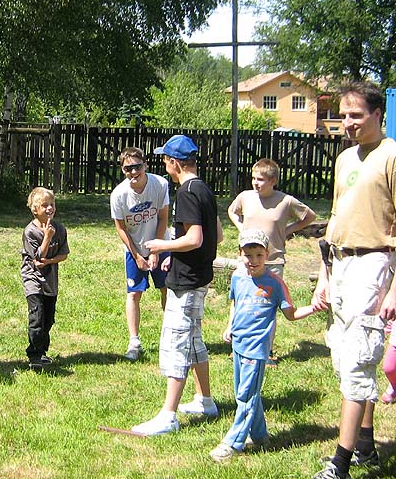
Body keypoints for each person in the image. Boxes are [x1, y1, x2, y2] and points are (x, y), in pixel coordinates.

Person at [312, 81, 396, 479]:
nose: (348, 123)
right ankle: (365, 447)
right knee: (346, 357)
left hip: (373, 263)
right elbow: (335, 218)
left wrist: (394, 289)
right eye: (344, 115)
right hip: (341, 264)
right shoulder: (345, 158)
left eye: (356, 115)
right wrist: (324, 276)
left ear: (378, 114)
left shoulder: (391, 155)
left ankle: (340, 465)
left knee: (359, 361)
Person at [130, 134, 222, 436]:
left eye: (165, 160)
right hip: (198, 276)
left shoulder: (186, 192)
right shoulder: (204, 189)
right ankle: (205, 401)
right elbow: (217, 235)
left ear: (174, 162)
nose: (164, 165)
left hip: (187, 282)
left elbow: (194, 238)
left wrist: (162, 246)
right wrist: (176, 255)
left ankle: (168, 416)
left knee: (177, 344)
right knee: (194, 340)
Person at [209, 228, 315, 463]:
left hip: (257, 349)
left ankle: (232, 443)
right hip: (238, 344)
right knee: (245, 392)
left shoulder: (275, 283)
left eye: (259, 255)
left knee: (245, 396)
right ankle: (259, 436)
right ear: (240, 254)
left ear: (267, 254)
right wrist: (230, 326)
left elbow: (291, 314)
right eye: (248, 255)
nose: (253, 260)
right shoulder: (238, 277)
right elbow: (235, 303)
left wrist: (314, 307)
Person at [228, 158, 317, 365]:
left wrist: (287, 230)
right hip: (247, 260)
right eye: (253, 178)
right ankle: (239, 346)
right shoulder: (246, 197)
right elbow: (232, 211)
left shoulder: (285, 201)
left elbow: (309, 216)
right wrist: (242, 228)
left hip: (273, 260)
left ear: (273, 181)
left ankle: (266, 350)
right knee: (242, 303)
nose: (255, 183)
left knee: (267, 307)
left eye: (260, 179)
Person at [110, 147, 170, 361]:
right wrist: (137, 256)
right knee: (134, 293)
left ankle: (171, 336)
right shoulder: (118, 195)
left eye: (137, 167)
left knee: (167, 289)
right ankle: (134, 342)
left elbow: (163, 218)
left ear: (146, 165)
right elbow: (120, 228)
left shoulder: (159, 184)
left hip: (161, 243)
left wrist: (156, 250)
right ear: (122, 170)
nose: (134, 172)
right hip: (134, 247)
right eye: (128, 169)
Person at [20, 187, 69, 370]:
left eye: (52, 204)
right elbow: (37, 259)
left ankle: (42, 352)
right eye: (45, 205)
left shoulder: (60, 229)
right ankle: (34, 355)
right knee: (37, 317)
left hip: (50, 280)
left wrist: (50, 261)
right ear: (35, 210)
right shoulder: (30, 232)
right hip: (33, 278)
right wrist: (47, 237)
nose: (50, 208)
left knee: (48, 319)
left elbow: (63, 254)